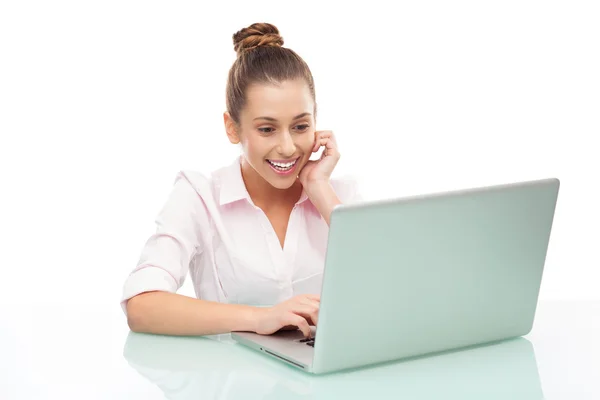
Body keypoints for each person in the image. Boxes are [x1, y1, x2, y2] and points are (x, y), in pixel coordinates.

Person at [121, 22, 361, 338]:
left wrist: (319, 188)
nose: (288, 147)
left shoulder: (338, 196)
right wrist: (260, 318)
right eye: (266, 129)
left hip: (323, 380)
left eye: (301, 127)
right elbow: (142, 306)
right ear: (232, 128)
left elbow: (394, 288)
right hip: (234, 381)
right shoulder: (199, 197)